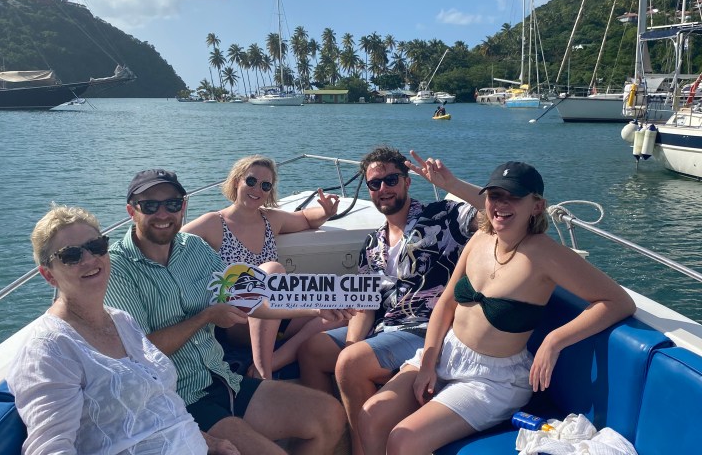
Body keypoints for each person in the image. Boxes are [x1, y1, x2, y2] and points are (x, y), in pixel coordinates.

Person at [356, 160, 637, 455]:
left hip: (492, 380)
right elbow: (447, 302)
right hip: (447, 353)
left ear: (537, 206)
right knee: (371, 415)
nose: (501, 205)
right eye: (494, 196)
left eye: (513, 196)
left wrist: (554, 341)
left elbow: (617, 301)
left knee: (403, 440)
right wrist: (428, 362)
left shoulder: (546, 255)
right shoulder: (480, 237)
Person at [105, 168, 348, 455]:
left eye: (171, 204)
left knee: (330, 416)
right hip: (175, 397)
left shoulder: (193, 248)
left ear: (182, 207)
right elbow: (140, 352)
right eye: (150, 205)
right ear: (132, 211)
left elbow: (247, 296)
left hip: (221, 378)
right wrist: (206, 317)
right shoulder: (117, 268)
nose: (162, 213)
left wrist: (315, 307)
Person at [297, 146, 486, 454]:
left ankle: (360, 449)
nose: (383, 189)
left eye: (391, 180)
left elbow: (496, 212)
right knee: (312, 350)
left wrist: (451, 186)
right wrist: (351, 345)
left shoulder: (442, 218)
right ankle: (337, 437)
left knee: (350, 363)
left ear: (407, 182)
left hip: (427, 330)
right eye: (375, 183)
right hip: (386, 327)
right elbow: (365, 305)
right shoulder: (372, 243)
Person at [7, 205, 228, 455]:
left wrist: (210, 442)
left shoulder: (121, 321)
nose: (90, 259)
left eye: (96, 246)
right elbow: (50, 448)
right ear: (49, 275)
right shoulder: (48, 349)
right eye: (71, 255)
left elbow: (160, 404)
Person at [182, 155, 344, 380]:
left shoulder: (271, 219)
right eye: (251, 181)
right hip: (236, 320)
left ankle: (276, 360)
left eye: (265, 185)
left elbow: (307, 219)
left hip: (276, 317)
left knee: (343, 311)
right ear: (237, 181)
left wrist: (325, 212)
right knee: (272, 270)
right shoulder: (213, 223)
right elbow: (173, 243)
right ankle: (262, 371)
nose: (257, 189)